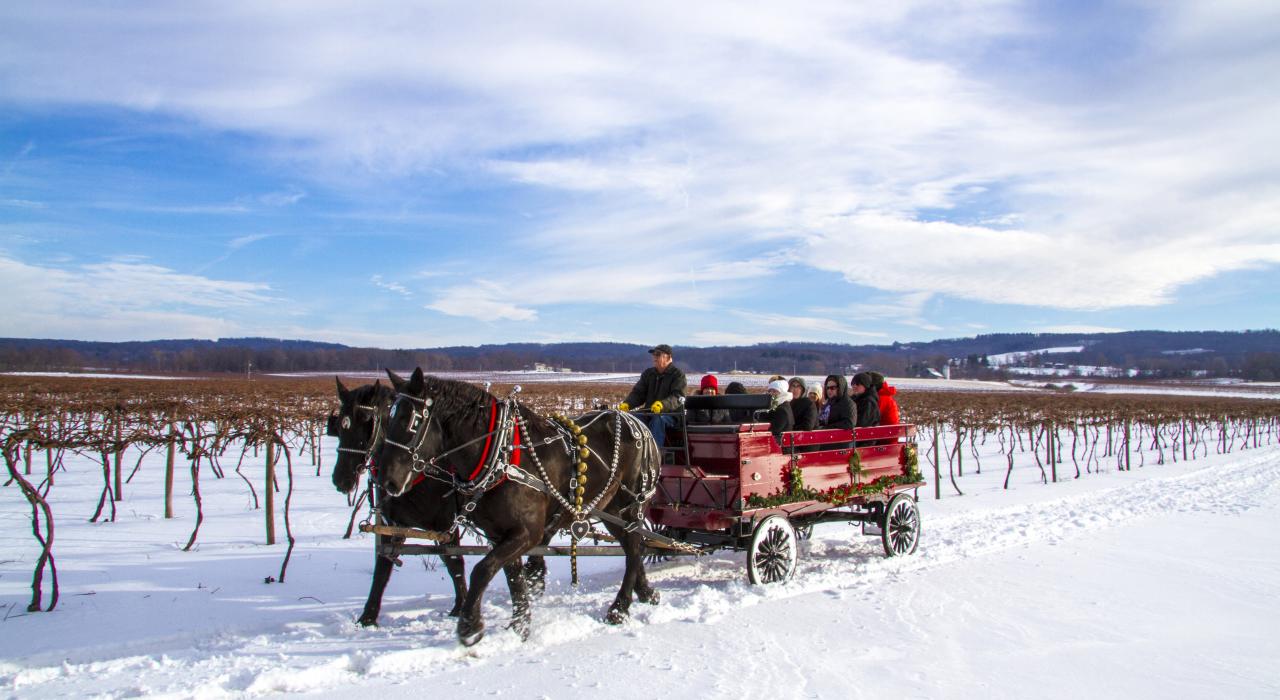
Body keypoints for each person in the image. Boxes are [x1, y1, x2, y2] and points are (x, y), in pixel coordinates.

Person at [620, 344, 687, 447]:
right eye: (654, 355)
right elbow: (638, 393)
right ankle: (631, 453)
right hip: (649, 413)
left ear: (668, 357)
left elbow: (677, 396)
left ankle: (654, 455)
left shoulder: (678, 375)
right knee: (631, 419)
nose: (654, 357)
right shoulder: (649, 374)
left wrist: (662, 405)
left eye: (658, 354)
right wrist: (627, 404)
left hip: (671, 416)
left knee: (658, 419)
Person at [764, 379, 794, 446]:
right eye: (769, 391)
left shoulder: (782, 409)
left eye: (774, 391)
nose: (771, 393)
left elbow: (774, 430)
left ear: (782, 393)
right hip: (777, 443)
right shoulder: (776, 405)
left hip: (781, 446)